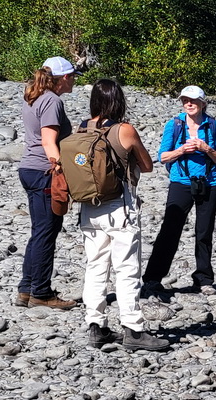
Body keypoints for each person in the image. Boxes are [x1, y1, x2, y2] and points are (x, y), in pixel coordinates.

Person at [75, 79, 170, 352]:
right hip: (119, 206)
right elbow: (148, 165)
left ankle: (96, 326)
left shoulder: (82, 127)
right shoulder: (124, 129)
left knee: (95, 266)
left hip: (89, 206)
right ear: (118, 100)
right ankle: (133, 329)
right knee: (127, 268)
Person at [142, 85, 216, 295]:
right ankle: (153, 278)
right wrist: (181, 150)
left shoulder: (214, 126)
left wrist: (206, 149)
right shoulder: (174, 125)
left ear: (203, 103)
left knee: (204, 231)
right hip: (181, 182)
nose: (189, 104)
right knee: (170, 231)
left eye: (193, 100)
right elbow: (162, 156)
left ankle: (204, 279)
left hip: (209, 182)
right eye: (185, 100)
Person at [17, 56, 79, 309]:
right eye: (73, 76)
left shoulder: (35, 97)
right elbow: (48, 140)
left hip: (29, 168)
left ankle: (27, 287)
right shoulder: (52, 101)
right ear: (64, 78)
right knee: (46, 233)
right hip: (44, 170)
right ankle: (41, 292)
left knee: (39, 231)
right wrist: (59, 167)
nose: (74, 80)